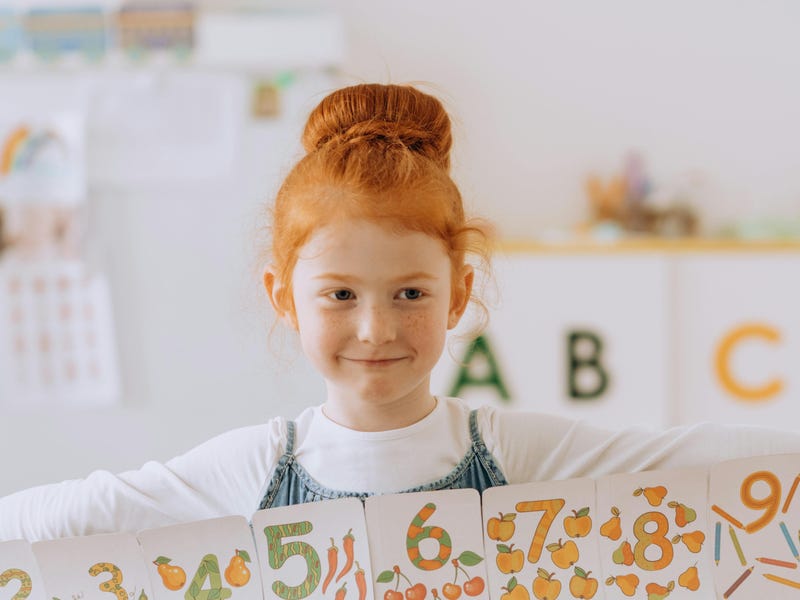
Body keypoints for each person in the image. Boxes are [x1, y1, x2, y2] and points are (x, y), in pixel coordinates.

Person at [2, 83, 799, 542]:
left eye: (410, 294)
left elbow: (689, 457)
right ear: (285, 297)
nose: (376, 327)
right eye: (339, 295)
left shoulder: (509, 451)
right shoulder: (257, 467)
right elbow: (90, 509)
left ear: (458, 291)